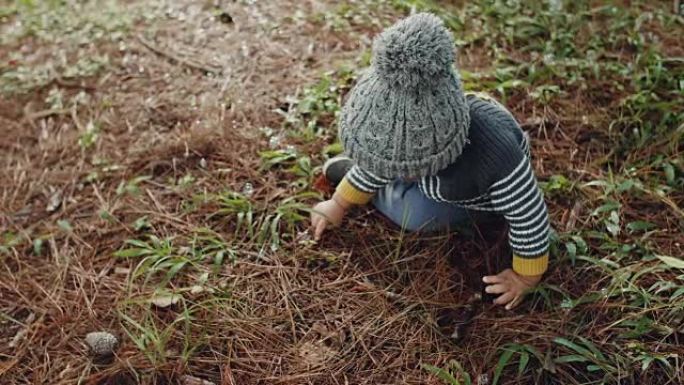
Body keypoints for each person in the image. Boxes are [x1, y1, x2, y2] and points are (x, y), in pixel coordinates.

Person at [310, 13, 550, 310]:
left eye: (400, 170)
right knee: (386, 169)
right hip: (434, 176)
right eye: (387, 166)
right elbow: (387, 159)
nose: (391, 170)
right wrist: (339, 203)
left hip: (470, 198)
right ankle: (362, 179)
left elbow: (529, 215)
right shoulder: (404, 139)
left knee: (415, 213)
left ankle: (382, 191)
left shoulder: (496, 157)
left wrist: (525, 277)